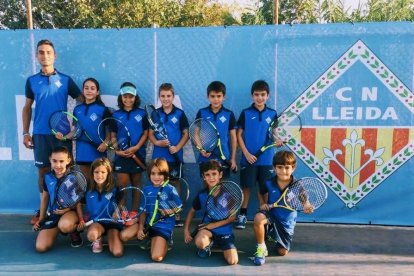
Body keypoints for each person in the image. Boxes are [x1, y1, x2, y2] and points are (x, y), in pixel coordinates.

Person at [22, 39, 81, 225]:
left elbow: (82, 101)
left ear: (54, 55)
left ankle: (68, 207)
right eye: (41, 52)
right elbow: (27, 108)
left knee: (68, 173)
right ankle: (44, 210)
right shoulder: (31, 81)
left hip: (61, 135)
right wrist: (25, 132)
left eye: (48, 52)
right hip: (40, 134)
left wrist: (73, 128)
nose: (45, 55)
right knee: (43, 173)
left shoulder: (66, 80)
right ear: (37, 56)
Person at [252, 150, 313, 265]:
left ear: (293, 168)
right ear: (274, 168)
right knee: (258, 218)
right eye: (279, 167)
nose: (283, 171)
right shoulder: (269, 182)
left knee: (282, 252)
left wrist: (307, 206)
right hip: (272, 214)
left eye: (287, 167)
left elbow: (305, 200)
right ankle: (261, 247)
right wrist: (262, 203)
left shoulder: (297, 185)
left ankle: (272, 234)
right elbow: (261, 192)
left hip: (286, 222)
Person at [235, 80, 279, 229]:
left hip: (266, 160)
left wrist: (278, 141)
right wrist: (246, 153)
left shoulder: (272, 113)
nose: (259, 97)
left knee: (264, 189)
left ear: (268, 96)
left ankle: (265, 215)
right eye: (256, 95)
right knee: (246, 188)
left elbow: (273, 133)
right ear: (252, 96)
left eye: (263, 95)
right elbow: (239, 134)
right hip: (249, 159)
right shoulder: (246, 113)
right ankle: (242, 215)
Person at [148, 83, 189, 227]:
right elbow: (151, 134)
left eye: (168, 96)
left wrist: (177, 147)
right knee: (157, 183)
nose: (165, 99)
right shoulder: (155, 114)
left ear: (173, 97)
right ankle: (158, 211)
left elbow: (186, 134)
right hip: (159, 157)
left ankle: (175, 212)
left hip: (174, 157)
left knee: (175, 183)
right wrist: (157, 143)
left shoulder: (180, 114)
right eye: (163, 96)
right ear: (159, 97)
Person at [183, 160, 238, 265]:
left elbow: (232, 217)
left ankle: (221, 242)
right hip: (207, 228)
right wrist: (186, 231)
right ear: (203, 177)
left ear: (220, 174)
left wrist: (214, 225)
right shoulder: (202, 195)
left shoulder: (228, 194)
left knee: (232, 261)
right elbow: (191, 211)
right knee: (200, 242)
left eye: (214, 174)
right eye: (207, 175)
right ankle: (209, 244)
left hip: (224, 230)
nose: (211, 177)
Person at [33, 146, 83, 252]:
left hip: (70, 213)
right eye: (54, 161)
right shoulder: (47, 177)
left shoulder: (74, 177)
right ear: (50, 159)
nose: (58, 165)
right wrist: (41, 219)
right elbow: (45, 198)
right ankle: (56, 228)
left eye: (61, 161)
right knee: (40, 247)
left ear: (68, 160)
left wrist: (67, 210)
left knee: (65, 226)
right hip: (53, 214)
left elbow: (78, 202)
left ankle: (73, 232)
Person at [77, 157, 127, 256]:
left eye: (103, 172)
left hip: (112, 223)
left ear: (108, 173)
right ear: (92, 173)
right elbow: (78, 204)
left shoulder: (115, 187)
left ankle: (112, 237)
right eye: (96, 172)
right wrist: (81, 220)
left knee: (117, 253)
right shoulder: (88, 188)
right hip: (96, 223)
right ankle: (97, 238)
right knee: (92, 236)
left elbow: (122, 199)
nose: (99, 175)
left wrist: (117, 210)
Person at [136, 158, 182, 262]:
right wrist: (140, 228)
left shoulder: (170, 189)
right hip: (149, 226)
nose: (156, 177)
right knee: (124, 236)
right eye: (153, 173)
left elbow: (178, 207)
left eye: (160, 174)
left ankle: (166, 240)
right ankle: (150, 238)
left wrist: (169, 211)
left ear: (165, 175)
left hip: (163, 228)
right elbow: (143, 211)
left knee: (156, 257)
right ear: (149, 174)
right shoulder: (146, 190)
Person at [112, 82, 148, 212]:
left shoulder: (142, 113)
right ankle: (121, 212)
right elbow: (113, 135)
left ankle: (134, 214)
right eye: (125, 97)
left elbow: (146, 133)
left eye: (131, 97)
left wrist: (137, 147)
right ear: (121, 97)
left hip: (137, 154)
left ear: (135, 97)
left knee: (136, 184)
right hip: (121, 155)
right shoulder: (115, 115)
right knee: (122, 183)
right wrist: (117, 151)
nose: (128, 99)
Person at [66, 77, 111, 182]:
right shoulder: (77, 109)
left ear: (97, 92)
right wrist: (64, 137)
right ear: (83, 91)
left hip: (98, 152)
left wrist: (105, 143)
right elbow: (76, 130)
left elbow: (110, 131)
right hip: (82, 152)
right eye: (86, 88)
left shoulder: (103, 109)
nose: (89, 91)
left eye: (92, 88)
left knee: (99, 183)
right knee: (85, 182)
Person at [194, 81, 238, 178]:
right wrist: (201, 149)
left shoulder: (229, 114)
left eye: (219, 96)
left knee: (222, 188)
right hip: (205, 157)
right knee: (207, 186)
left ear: (224, 97)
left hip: (224, 157)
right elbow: (196, 134)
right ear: (208, 97)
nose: (216, 99)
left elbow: (233, 138)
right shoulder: (202, 112)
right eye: (212, 96)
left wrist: (233, 158)